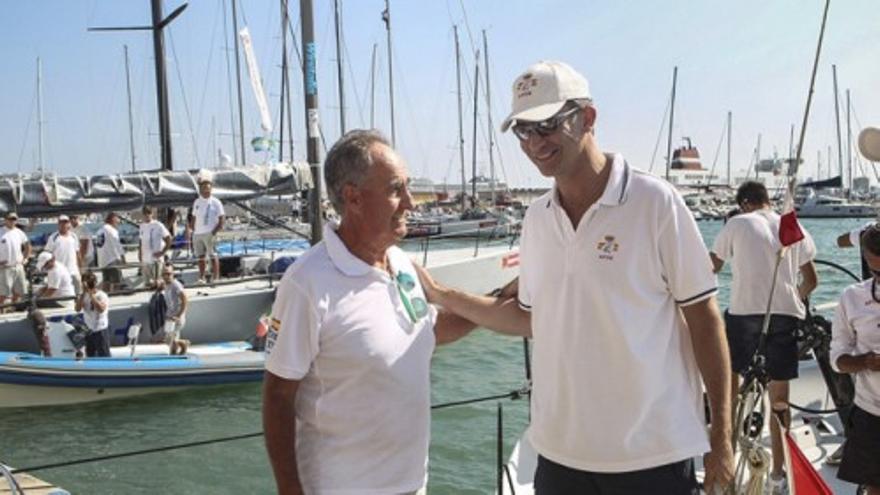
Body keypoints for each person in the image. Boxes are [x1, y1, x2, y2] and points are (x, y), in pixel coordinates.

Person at [415, 61, 734, 494]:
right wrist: (441, 294)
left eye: (547, 124)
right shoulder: (536, 218)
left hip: (652, 454)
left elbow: (704, 320)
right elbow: (528, 317)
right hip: (558, 457)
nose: (535, 142)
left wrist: (722, 439)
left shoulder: (655, 203)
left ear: (587, 118)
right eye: (523, 130)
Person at [262, 130, 475, 495]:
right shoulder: (307, 282)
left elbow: (430, 330)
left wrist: (505, 301)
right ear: (353, 197)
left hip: (412, 486)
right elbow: (278, 397)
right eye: (396, 190)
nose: (410, 202)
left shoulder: (401, 263)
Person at [709, 180, 818, 493]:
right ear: (767, 200)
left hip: (743, 318)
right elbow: (812, 280)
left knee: (729, 394)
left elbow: (711, 268)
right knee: (780, 402)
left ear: (744, 203)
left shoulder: (738, 223)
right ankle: (779, 477)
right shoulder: (792, 226)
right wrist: (791, 300)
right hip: (784, 319)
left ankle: (725, 469)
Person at [831, 224, 880, 495]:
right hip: (871, 411)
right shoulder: (852, 297)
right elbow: (837, 358)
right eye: (877, 272)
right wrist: (865, 362)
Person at [188, 171, 224, 284]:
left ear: (211, 189)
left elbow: (222, 219)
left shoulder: (216, 202)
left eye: (208, 188)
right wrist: (193, 230)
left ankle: (216, 278)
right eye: (203, 188)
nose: (206, 190)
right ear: (200, 189)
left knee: (213, 255)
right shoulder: (197, 202)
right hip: (197, 233)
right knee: (200, 257)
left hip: (210, 233)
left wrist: (213, 232)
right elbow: (193, 217)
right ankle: (201, 277)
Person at [74, 271, 110, 357]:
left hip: (100, 329)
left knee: (104, 354)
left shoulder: (101, 295)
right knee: (90, 355)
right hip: (89, 330)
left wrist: (91, 294)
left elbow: (101, 309)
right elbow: (77, 309)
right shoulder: (83, 296)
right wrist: (83, 293)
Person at [44, 214, 82, 295]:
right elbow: (47, 253)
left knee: (78, 291)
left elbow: (77, 253)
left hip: (73, 270)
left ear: (69, 224)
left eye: (66, 222)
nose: (64, 224)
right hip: (60, 270)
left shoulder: (74, 236)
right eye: (62, 222)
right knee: (61, 292)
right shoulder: (53, 237)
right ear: (58, 224)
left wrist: (81, 267)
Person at [0, 212, 31, 309]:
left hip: (18, 266)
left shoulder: (19, 232)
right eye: (10, 219)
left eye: (14, 219)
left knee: (19, 292)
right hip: (5, 267)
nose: (12, 221)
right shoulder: (0, 231)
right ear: (5, 220)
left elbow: (27, 246)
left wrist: (25, 259)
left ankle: (11, 308)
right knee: (3, 294)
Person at [157, 265, 188, 355]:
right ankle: (179, 348)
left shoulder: (176, 285)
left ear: (173, 274)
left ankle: (183, 344)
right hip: (170, 316)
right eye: (164, 274)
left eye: (169, 274)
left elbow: (185, 299)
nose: (167, 276)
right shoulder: (166, 284)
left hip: (176, 316)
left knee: (170, 340)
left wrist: (179, 315)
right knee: (169, 340)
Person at [139, 206, 171, 288]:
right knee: (147, 284)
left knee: (158, 282)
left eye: (148, 213)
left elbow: (168, 238)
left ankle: (161, 298)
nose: (147, 215)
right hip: (145, 259)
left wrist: (162, 252)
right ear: (142, 215)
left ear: (151, 214)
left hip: (156, 259)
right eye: (145, 213)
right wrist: (140, 253)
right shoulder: (141, 226)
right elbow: (141, 241)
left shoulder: (158, 225)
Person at [95, 212, 126, 291]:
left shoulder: (100, 230)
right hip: (112, 259)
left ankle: (106, 298)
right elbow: (118, 245)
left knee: (106, 282)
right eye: (118, 218)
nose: (119, 221)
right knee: (117, 283)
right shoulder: (112, 230)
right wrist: (123, 258)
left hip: (103, 261)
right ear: (113, 219)